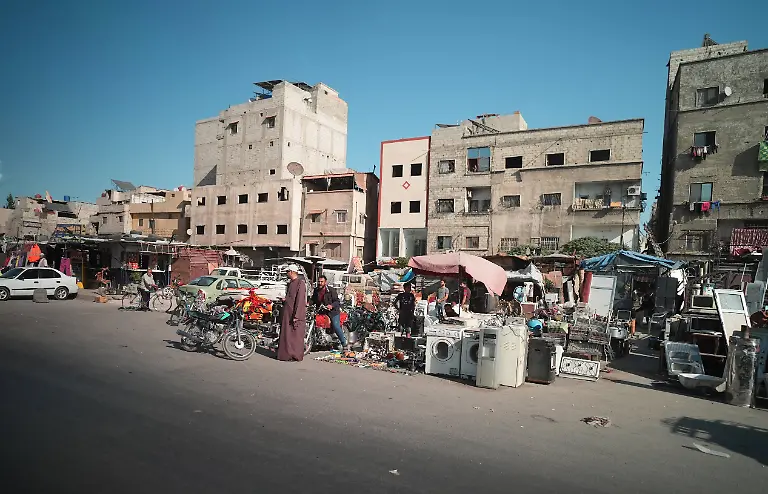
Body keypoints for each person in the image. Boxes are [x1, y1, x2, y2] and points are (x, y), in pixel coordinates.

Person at [277, 264, 307, 362]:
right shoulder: (291, 283)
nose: (286, 274)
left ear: (291, 272)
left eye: (287, 272)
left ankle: (294, 355)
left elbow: (300, 301)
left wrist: (297, 315)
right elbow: (291, 298)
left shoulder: (300, 283)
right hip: (288, 312)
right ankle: (286, 354)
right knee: (287, 335)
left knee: (295, 336)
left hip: (294, 314)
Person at [312, 275, 349, 351]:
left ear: (325, 282)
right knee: (316, 323)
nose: (320, 283)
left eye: (322, 281)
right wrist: (307, 303)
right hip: (322, 310)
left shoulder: (331, 290)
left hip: (333, 312)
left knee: (336, 326)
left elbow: (337, 301)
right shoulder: (316, 290)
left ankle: (344, 344)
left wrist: (331, 306)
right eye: (319, 281)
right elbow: (313, 300)